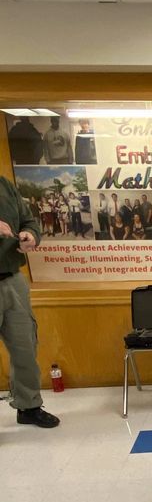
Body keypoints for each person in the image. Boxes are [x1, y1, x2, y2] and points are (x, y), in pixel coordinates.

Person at [0, 176, 60, 428]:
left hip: (12, 278)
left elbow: (29, 220)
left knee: (24, 346)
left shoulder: (4, 185)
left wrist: (31, 235)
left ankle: (28, 406)